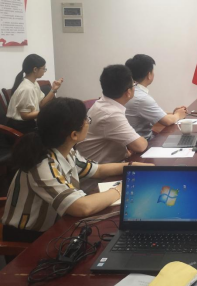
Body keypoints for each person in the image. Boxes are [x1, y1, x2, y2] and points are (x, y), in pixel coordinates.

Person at [1, 97, 152, 243]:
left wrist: (131, 167)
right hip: (31, 237)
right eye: (86, 120)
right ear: (74, 134)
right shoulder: (42, 164)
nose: (88, 123)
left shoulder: (64, 151)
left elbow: (98, 170)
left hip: (55, 226)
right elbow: (82, 207)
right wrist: (122, 189)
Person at [76, 65, 148, 163]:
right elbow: (140, 146)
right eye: (134, 84)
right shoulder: (110, 114)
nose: (134, 87)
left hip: (105, 164)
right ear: (128, 92)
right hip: (100, 171)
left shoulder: (103, 104)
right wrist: (143, 140)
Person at [125, 55, 188, 140]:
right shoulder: (142, 98)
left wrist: (174, 113)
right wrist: (178, 115)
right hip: (144, 142)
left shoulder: (130, 91)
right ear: (149, 75)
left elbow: (155, 113)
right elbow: (167, 121)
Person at [6, 54, 64, 134]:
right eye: (43, 69)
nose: (44, 71)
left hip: (30, 123)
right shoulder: (27, 88)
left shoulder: (34, 83)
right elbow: (25, 116)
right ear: (35, 69)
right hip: (21, 127)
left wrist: (53, 89)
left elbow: (41, 104)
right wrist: (48, 111)